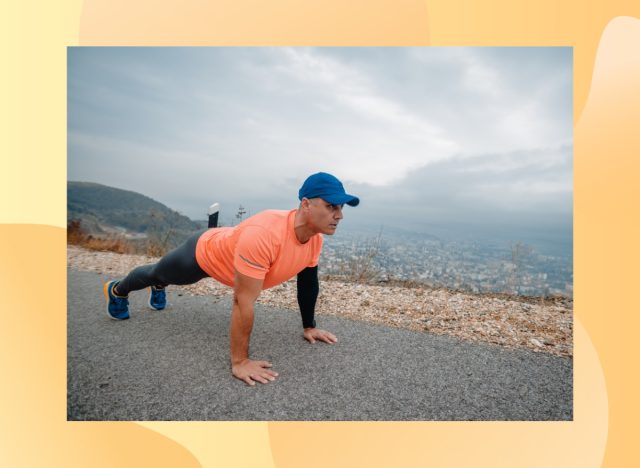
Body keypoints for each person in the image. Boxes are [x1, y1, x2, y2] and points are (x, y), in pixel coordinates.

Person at [103, 172, 360, 386]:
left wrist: (309, 326)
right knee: (156, 273)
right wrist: (240, 361)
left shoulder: (314, 239)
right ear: (306, 204)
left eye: (340, 207)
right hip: (202, 253)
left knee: (167, 278)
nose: (339, 215)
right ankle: (118, 290)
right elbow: (242, 301)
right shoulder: (265, 234)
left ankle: (161, 285)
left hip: (231, 247)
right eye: (331, 206)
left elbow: (308, 283)